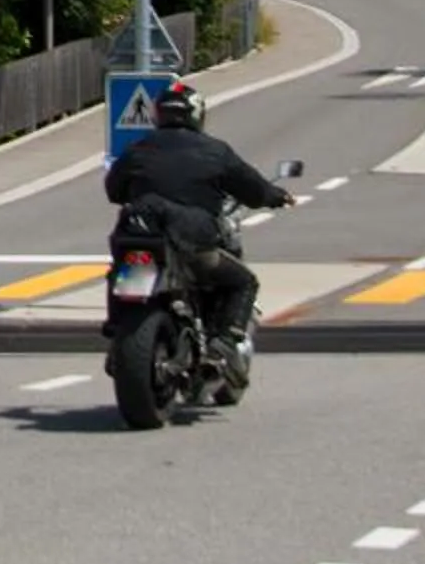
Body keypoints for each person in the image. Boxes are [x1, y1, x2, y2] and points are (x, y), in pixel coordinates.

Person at [102, 83, 294, 379]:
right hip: (192, 243)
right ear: (197, 115)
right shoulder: (214, 151)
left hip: (139, 236)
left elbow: (114, 190)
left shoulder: (137, 149)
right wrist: (276, 195)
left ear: (158, 115)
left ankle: (117, 335)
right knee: (242, 282)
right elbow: (253, 190)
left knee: (122, 273)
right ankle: (223, 346)